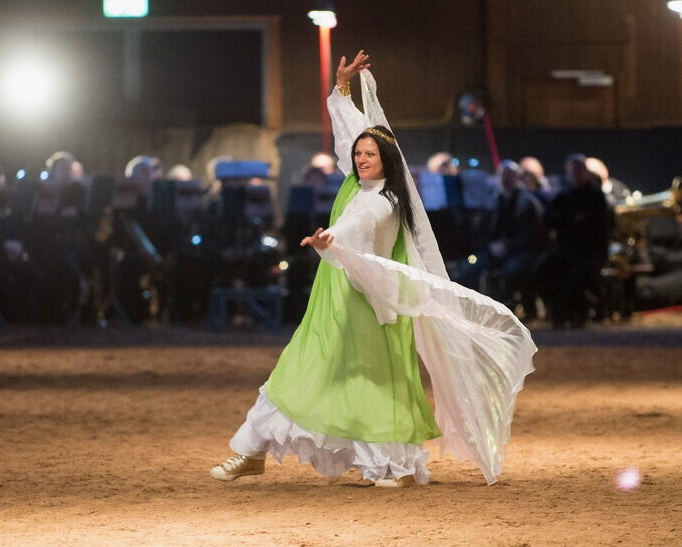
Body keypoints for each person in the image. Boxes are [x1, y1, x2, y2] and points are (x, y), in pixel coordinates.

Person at [210, 51, 536, 487]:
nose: (362, 158)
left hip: (366, 304)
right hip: (339, 301)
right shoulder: (355, 182)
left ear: (387, 161)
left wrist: (328, 240)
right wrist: (343, 90)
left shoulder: (382, 203)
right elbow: (350, 134)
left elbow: (351, 229)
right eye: (359, 153)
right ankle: (255, 450)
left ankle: (392, 465)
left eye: (370, 154)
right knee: (313, 373)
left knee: (369, 382)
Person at [457, 161, 546, 317]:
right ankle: (470, 313)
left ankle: (506, 314)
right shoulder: (492, 201)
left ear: (517, 177)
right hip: (494, 250)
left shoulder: (528, 203)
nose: (506, 179)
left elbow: (531, 234)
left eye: (510, 175)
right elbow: (482, 231)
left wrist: (508, 245)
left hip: (520, 251)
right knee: (469, 269)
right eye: (504, 175)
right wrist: (490, 246)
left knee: (510, 271)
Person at [542, 154, 613, 328]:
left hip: (590, 252)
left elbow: (598, 228)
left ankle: (572, 316)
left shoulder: (596, 197)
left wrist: (568, 222)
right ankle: (558, 315)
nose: (576, 175)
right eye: (573, 172)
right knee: (543, 271)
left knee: (576, 276)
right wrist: (572, 220)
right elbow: (548, 219)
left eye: (579, 171)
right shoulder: (564, 196)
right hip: (567, 250)